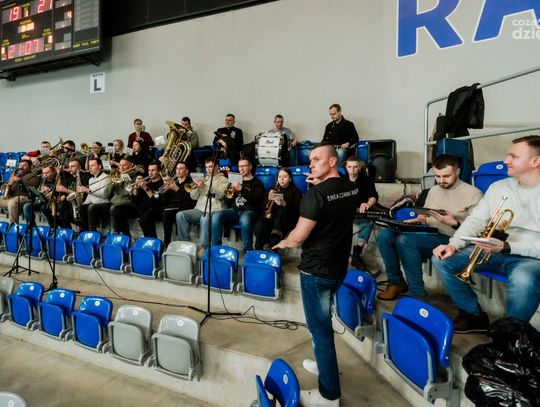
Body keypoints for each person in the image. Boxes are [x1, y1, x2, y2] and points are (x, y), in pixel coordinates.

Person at [274, 143, 360, 407]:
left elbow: (298, 238)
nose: (310, 164)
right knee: (322, 328)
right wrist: (318, 187)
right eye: (310, 160)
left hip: (316, 271)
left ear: (333, 161)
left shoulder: (315, 196)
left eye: (316, 159)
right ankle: (325, 368)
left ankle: (328, 395)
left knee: (319, 331)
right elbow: (333, 209)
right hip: (338, 267)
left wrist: (282, 243)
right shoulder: (350, 187)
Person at [432, 136, 540, 332]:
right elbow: (475, 220)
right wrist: (453, 244)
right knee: (443, 259)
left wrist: (508, 246)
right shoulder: (499, 187)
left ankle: (511, 335)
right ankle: (473, 315)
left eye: (514, 156)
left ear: (535, 161)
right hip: (495, 250)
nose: (506, 160)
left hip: (531, 258)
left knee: (523, 279)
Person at [377, 155, 483, 300]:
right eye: (437, 176)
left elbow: (478, 231)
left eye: (446, 176)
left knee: (405, 240)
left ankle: (417, 294)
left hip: (451, 239)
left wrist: (453, 223)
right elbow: (427, 215)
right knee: (385, 235)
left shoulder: (473, 194)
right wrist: (418, 220)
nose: (441, 181)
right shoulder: (433, 190)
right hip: (428, 233)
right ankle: (396, 282)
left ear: (457, 172)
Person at [175, 158, 229, 257]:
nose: (208, 169)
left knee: (204, 218)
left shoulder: (224, 180)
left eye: (211, 167)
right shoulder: (204, 178)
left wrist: (205, 186)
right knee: (180, 215)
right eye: (207, 167)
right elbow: (194, 197)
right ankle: (186, 245)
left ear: (217, 167)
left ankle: (205, 247)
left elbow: (221, 195)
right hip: (199, 209)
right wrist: (196, 187)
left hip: (214, 210)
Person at [211, 157, 265, 253]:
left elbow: (257, 199)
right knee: (216, 215)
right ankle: (215, 248)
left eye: (244, 166)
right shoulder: (235, 181)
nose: (242, 169)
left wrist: (242, 189)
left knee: (245, 218)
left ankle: (248, 250)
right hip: (235, 211)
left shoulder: (257, 183)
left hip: (251, 211)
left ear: (250, 166)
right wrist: (230, 192)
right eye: (240, 166)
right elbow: (227, 201)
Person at [254, 167, 302, 250]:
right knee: (261, 223)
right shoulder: (272, 190)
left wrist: (284, 204)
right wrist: (268, 198)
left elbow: (297, 210)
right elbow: (263, 208)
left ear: (290, 179)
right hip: (273, 217)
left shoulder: (296, 191)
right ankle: (258, 249)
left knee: (283, 210)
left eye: (284, 177)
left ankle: (273, 246)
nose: (281, 179)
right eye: (279, 177)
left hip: (287, 219)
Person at [345, 156, 379, 269]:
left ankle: (357, 253)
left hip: (360, 211)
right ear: (346, 167)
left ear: (359, 167)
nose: (352, 169)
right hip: (344, 212)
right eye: (350, 167)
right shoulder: (341, 181)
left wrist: (368, 204)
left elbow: (373, 196)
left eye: (355, 167)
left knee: (368, 222)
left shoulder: (366, 180)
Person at [159, 161, 196, 247]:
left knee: (167, 213)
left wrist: (177, 189)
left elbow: (189, 201)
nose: (178, 171)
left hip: (185, 208)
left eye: (181, 168)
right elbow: (164, 201)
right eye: (177, 168)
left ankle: (166, 243)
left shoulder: (190, 183)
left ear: (186, 171)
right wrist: (165, 189)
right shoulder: (173, 182)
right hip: (172, 207)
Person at [0, 159, 40, 224]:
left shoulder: (34, 176)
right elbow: (4, 185)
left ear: (30, 167)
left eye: (24, 165)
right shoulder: (15, 175)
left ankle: (13, 224)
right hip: (11, 196)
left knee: (12, 204)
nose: (21, 167)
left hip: (25, 197)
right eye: (20, 165)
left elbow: (32, 186)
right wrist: (5, 186)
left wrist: (19, 180)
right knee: (10, 201)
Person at [79, 158, 113, 231]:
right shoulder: (91, 179)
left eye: (92, 165)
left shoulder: (106, 177)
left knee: (92, 207)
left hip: (105, 204)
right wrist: (83, 204)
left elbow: (104, 195)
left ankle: (93, 231)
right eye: (89, 166)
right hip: (95, 204)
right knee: (82, 208)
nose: (90, 168)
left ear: (99, 166)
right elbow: (90, 196)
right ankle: (86, 230)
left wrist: (88, 190)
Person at [110, 158, 141, 238]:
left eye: (124, 165)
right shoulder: (117, 177)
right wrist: (112, 183)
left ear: (130, 166)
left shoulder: (135, 177)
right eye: (120, 165)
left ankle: (117, 233)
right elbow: (109, 193)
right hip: (118, 204)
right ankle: (125, 236)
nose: (121, 167)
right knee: (116, 210)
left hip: (131, 205)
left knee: (116, 209)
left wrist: (126, 179)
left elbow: (131, 194)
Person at [135, 161, 164, 238]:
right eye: (149, 170)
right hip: (145, 210)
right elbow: (135, 199)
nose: (150, 173)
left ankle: (153, 238)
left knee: (147, 214)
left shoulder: (162, 184)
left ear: (159, 172)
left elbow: (156, 202)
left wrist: (145, 188)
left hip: (157, 210)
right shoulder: (147, 183)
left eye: (153, 170)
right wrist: (136, 187)